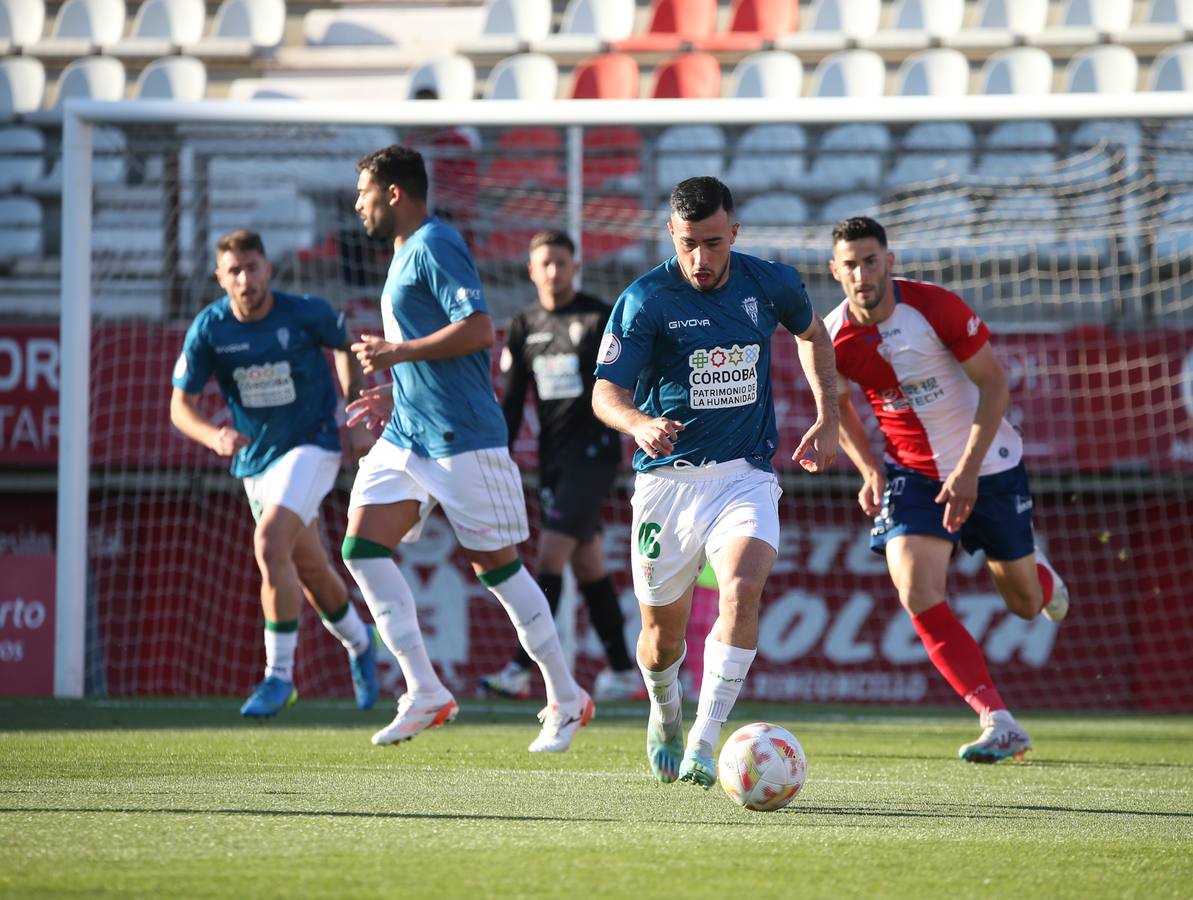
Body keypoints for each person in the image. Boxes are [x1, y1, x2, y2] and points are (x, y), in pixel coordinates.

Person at [342, 145, 593, 752]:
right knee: (360, 546)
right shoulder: (405, 252)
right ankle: (424, 689)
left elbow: (480, 330)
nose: (358, 205)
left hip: (461, 439)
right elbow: (427, 346)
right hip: (409, 434)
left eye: (364, 193)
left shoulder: (434, 243)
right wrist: (396, 391)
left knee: (498, 570)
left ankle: (566, 696)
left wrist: (396, 355)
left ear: (394, 193)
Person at [592, 176, 839, 787]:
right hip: (666, 484)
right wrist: (640, 424)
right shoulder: (646, 298)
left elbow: (813, 335)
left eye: (711, 243)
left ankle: (706, 737)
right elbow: (604, 392)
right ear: (670, 236)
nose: (699, 259)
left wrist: (828, 416)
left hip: (744, 475)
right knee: (658, 640)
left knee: (741, 587)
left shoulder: (771, 283)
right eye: (686, 245)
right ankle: (665, 709)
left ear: (734, 233)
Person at [825, 216, 1071, 764]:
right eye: (850, 264)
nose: (861, 273)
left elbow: (995, 384)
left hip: (989, 465)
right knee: (915, 589)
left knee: (1027, 606)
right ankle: (997, 720)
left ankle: (1041, 576)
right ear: (834, 270)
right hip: (912, 474)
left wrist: (966, 470)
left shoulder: (934, 308)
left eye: (870, 260)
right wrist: (869, 469)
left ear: (889, 262)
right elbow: (837, 406)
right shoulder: (832, 335)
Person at [170, 228, 379, 718]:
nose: (246, 279)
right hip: (256, 461)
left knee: (269, 542)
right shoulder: (209, 328)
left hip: (312, 446)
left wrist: (354, 415)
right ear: (220, 278)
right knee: (307, 568)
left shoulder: (305, 311)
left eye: (252, 267)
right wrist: (213, 436)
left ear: (268, 268)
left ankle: (278, 677)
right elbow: (181, 407)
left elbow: (345, 346)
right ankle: (360, 642)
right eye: (234, 272)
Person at [479, 230, 642, 703]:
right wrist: (496, 457)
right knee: (588, 564)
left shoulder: (597, 317)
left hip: (593, 458)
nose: (553, 271)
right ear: (531, 271)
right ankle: (620, 670)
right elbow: (510, 403)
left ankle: (518, 668)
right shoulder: (524, 325)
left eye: (561, 262)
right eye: (544, 263)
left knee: (549, 556)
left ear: (576, 267)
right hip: (553, 461)